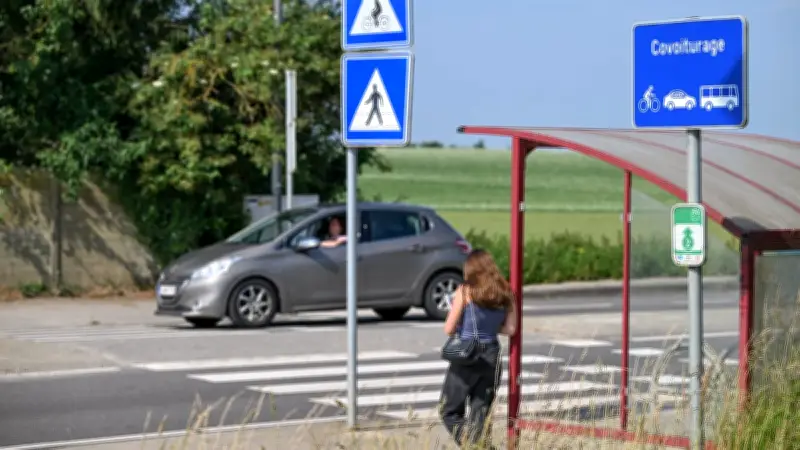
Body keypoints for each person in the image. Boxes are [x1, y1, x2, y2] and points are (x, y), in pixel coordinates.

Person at [439, 249, 517, 448]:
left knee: (449, 411)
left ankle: (477, 447)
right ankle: (480, 445)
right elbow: (510, 328)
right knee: (479, 415)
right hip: (491, 354)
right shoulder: (506, 292)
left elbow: (448, 328)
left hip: (467, 354)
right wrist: (491, 326)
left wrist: (462, 324)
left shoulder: (465, 291)